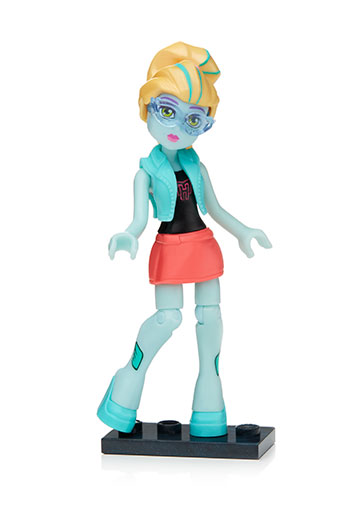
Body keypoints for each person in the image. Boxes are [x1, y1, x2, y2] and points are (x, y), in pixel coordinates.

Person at [97, 42, 271, 438]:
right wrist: (128, 234)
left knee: (211, 317)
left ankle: (210, 400)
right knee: (168, 318)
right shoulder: (145, 171)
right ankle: (129, 379)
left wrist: (243, 231)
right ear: (147, 106)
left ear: (205, 124)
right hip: (169, 249)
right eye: (167, 111)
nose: (178, 127)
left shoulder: (197, 165)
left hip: (203, 245)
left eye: (194, 120)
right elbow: (139, 218)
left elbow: (216, 208)